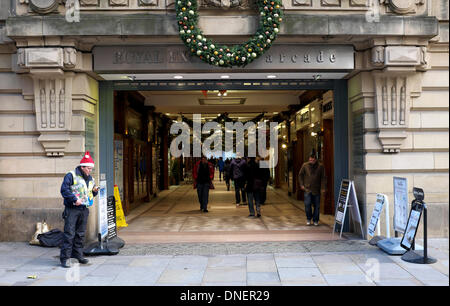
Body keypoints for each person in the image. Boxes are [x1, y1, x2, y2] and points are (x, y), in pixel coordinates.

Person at [59, 151, 99, 268]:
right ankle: (65, 259)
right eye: (88, 168)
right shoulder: (71, 175)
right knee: (69, 233)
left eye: (91, 168)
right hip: (72, 209)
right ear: (82, 167)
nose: (90, 170)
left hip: (84, 208)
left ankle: (78, 256)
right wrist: (74, 199)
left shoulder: (90, 178)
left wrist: (94, 191)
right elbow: (64, 190)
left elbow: (89, 193)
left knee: (80, 234)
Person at [298, 153, 326, 226]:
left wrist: (323, 188)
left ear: (316, 160)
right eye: (310, 160)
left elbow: (323, 178)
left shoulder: (320, 166)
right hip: (307, 189)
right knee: (307, 204)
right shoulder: (305, 165)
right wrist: (301, 184)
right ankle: (308, 218)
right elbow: (300, 175)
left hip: (317, 189)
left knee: (317, 206)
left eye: (313, 160)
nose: (311, 161)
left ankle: (315, 220)